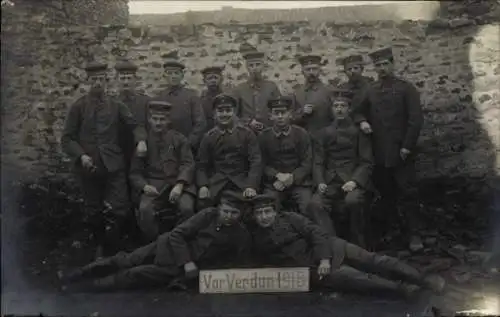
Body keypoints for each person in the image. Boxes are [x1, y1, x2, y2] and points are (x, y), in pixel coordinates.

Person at [248, 194, 446, 296]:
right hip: (316, 270)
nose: (264, 217)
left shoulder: (290, 218)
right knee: (359, 279)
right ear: (254, 216)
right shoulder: (257, 239)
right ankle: (402, 289)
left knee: (375, 260)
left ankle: (423, 279)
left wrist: (324, 258)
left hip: (331, 248)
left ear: (275, 211)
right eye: (259, 213)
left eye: (267, 212)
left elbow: (316, 233)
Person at [58, 192, 252, 292]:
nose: (228, 216)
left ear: (240, 214)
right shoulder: (207, 215)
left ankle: (84, 288)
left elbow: (229, 263)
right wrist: (187, 261)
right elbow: (177, 234)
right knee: (125, 260)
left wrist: (192, 275)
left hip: (177, 269)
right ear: (219, 208)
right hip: (167, 246)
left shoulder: (240, 235)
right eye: (225, 210)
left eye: (233, 213)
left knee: (134, 275)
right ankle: (77, 274)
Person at [61, 61, 147, 258]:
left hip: (113, 164)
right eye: (94, 80)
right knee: (93, 210)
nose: (98, 83)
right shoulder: (79, 107)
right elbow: (67, 138)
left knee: (121, 207)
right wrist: (81, 155)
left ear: (107, 81)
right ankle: (99, 247)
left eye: (101, 79)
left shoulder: (117, 105)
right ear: (87, 81)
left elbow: (135, 126)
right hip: (89, 166)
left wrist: (141, 141)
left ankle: (116, 245)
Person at [352, 47, 425, 252]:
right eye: (377, 65)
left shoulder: (406, 88)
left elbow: (415, 120)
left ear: (392, 64)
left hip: (402, 153)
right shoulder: (370, 90)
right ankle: (391, 232)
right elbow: (356, 112)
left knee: (408, 193)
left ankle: (415, 234)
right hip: (379, 153)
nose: (381, 68)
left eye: (385, 64)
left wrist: (407, 147)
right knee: (386, 194)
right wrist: (362, 121)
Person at [310, 88, 374, 247]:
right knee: (315, 204)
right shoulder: (323, 133)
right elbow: (318, 162)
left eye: (343, 106)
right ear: (331, 109)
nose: (339, 109)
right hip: (330, 181)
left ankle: (358, 245)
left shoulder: (359, 133)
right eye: (336, 106)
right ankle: (331, 244)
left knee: (353, 201)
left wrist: (354, 181)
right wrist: (320, 182)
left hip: (351, 180)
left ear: (349, 109)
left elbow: (366, 162)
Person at [129, 100, 197, 242]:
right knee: (145, 210)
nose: (158, 123)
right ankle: (155, 244)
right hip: (154, 186)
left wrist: (179, 185)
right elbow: (135, 172)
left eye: (162, 119)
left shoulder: (179, 139)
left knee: (187, 208)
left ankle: (178, 241)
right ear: (149, 119)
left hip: (179, 184)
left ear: (168, 120)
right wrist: (144, 186)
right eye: (155, 119)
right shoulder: (143, 142)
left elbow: (188, 163)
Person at [197, 94, 262, 208]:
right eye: (220, 111)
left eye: (228, 110)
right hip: (217, 182)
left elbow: (255, 161)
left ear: (234, 112)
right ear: (214, 114)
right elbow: (201, 165)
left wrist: (251, 185)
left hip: (241, 182)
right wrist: (203, 185)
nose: (224, 114)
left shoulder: (246, 134)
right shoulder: (209, 137)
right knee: (203, 205)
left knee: (251, 205)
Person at [258, 96, 314, 215]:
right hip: (274, 183)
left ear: (290, 114)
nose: (280, 116)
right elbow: (261, 163)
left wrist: (293, 177)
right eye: (276, 113)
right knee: (269, 207)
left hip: (299, 183)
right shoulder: (264, 136)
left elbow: (307, 162)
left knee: (308, 206)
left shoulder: (301, 134)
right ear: (270, 116)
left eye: (283, 113)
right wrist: (277, 175)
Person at [155, 58, 206, 151]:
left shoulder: (191, 96)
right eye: (169, 73)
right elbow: (155, 124)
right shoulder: (159, 97)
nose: (173, 76)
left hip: (187, 146)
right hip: (165, 147)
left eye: (176, 73)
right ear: (164, 76)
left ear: (182, 76)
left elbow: (200, 123)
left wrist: (189, 143)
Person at [231, 50, 282, 134]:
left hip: (269, 131)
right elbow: (233, 114)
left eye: (258, 65)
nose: (254, 68)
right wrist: (248, 122)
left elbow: (279, 109)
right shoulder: (239, 89)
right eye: (251, 65)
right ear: (247, 68)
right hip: (246, 132)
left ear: (263, 66)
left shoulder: (271, 86)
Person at [292, 54, 334, 137]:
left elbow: (336, 117)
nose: (311, 72)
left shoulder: (329, 90)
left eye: (314, 69)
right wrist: (302, 113)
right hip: (303, 138)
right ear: (302, 72)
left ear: (320, 70)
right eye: (308, 69)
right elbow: (291, 118)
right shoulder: (297, 93)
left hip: (324, 137)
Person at [336, 54, 373, 120]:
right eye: (349, 69)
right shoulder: (342, 89)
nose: (352, 71)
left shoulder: (370, 86)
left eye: (356, 68)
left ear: (362, 69)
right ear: (345, 72)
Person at [200, 65, 229, 132]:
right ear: (204, 81)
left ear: (221, 79)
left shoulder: (227, 98)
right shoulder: (201, 100)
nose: (213, 81)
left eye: (216, 78)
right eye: (209, 78)